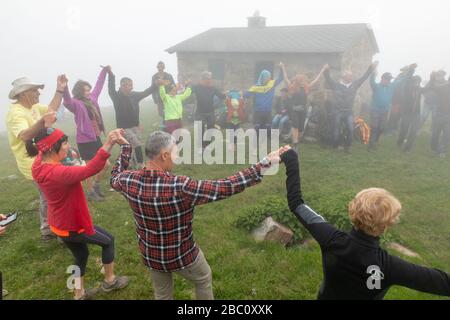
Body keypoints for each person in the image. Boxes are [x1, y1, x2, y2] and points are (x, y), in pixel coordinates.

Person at [110, 131, 287, 300]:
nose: (177, 156)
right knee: (203, 278)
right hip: (182, 254)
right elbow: (224, 187)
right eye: (175, 151)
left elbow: (114, 177)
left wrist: (125, 148)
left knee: (162, 294)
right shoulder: (180, 186)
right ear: (164, 155)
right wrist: (264, 164)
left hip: (151, 255)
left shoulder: (128, 180)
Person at [280, 148, 450, 300]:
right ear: (386, 225)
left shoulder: (331, 239)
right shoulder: (390, 267)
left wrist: (291, 158)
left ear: (352, 210)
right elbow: (442, 282)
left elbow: (297, 203)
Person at [27, 127, 129, 300]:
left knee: (81, 255)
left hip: (58, 225)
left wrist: (66, 151)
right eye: (65, 143)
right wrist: (108, 143)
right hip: (73, 225)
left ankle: (78, 294)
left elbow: (48, 152)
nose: (68, 146)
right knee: (108, 241)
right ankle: (110, 281)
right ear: (51, 148)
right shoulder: (59, 173)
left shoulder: (38, 165)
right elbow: (90, 169)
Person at [6, 75, 68, 240]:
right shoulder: (16, 113)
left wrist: (60, 89)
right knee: (50, 195)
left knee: (49, 194)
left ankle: (49, 228)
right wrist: (42, 121)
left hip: (43, 158)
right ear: (23, 93)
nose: (38, 93)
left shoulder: (33, 106)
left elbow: (51, 109)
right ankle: (49, 229)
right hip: (31, 162)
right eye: (34, 90)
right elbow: (25, 135)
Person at [63, 66, 109, 201]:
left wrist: (104, 71)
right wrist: (64, 87)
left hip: (96, 138)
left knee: (105, 164)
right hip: (84, 141)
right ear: (79, 92)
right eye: (85, 91)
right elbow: (66, 101)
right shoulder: (75, 104)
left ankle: (96, 185)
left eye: (89, 89)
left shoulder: (92, 99)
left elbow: (99, 85)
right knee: (89, 169)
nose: (88, 92)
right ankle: (90, 192)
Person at [107, 67, 157, 169]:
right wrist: (111, 75)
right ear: (122, 86)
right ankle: (142, 166)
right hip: (124, 128)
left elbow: (146, 92)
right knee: (137, 145)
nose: (131, 87)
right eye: (129, 85)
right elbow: (111, 88)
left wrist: (155, 85)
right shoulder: (116, 97)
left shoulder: (134, 95)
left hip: (135, 126)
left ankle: (128, 165)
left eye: (131, 85)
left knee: (131, 147)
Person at [323, 62, 377, 153]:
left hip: (348, 112)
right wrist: (326, 70)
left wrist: (370, 69)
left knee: (350, 129)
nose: (351, 78)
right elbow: (328, 78)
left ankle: (347, 146)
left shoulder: (354, 85)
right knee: (336, 129)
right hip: (337, 111)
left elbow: (364, 78)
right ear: (344, 77)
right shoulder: (336, 85)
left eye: (351, 76)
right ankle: (336, 145)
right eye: (349, 76)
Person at [368, 63, 417, 151]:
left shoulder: (392, 86)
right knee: (374, 127)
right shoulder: (376, 86)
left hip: (385, 111)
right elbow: (371, 80)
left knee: (382, 128)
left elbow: (404, 79)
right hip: (375, 110)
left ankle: (375, 140)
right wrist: (373, 70)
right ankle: (371, 146)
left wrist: (411, 70)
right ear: (383, 79)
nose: (389, 81)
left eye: (390, 79)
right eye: (387, 79)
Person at [244, 63, 288, 151]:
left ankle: (262, 145)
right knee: (257, 128)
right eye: (267, 76)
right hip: (258, 112)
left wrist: (282, 67)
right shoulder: (256, 87)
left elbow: (281, 78)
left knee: (266, 128)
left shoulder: (271, 84)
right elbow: (246, 94)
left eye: (269, 76)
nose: (269, 78)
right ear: (263, 77)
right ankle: (255, 147)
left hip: (267, 112)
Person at [282, 65, 327, 146]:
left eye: (305, 80)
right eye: (303, 80)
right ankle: (295, 143)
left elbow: (316, 80)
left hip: (303, 110)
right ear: (299, 81)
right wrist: (282, 67)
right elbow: (285, 78)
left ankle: (296, 140)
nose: (304, 82)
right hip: (294, 110)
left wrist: (323, 69)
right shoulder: (292, 87)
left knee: (301, 128)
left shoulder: (306, 87)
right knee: (295, 125)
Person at [192, 71, 226, 151]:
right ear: (203, 79)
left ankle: (206, 146)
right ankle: (200, 147)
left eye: (210, 79)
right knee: (200, 130)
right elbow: (187, 92)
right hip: (200, 112)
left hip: (210, 112)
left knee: (211, 130)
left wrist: (226, 93)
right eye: (207, 79)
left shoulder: (213, 88)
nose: (209, 80)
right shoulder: (196, 87)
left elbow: (221, 96)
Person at [425, 71, 450, 158]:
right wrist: (432, 77)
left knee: (447, 134)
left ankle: (442, 151)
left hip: (448, 116)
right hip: (439, 114)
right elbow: (431, 87)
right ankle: (434, 147)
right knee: (435, 133)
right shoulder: (442, 87)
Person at [397, 75, 423, 152]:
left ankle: (407, 148)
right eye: (415, 81)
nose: (416, 83)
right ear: (412, 82)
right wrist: (411, 70)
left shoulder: (420, 90)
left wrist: (432, 78)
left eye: (418, 81)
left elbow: (429, 88)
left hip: (416, 114)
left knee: (413, 131)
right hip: (407, 112)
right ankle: (400, 141)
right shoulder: (407, 88)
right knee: (404, 129)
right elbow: (407, 79)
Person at [151, 61, 175, 129]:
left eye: (162, 66)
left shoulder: (169, 76)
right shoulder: (154, 77)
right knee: (162, 114)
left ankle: (170, 126)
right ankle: (163, 129)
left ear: (164, 67)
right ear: (157, 67)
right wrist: (155, 100)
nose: (160, 68)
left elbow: (173, 85)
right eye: (159, 66)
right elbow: (152, 89)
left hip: (169, 97)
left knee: (169, 112)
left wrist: (173, 94)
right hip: (159, 98)